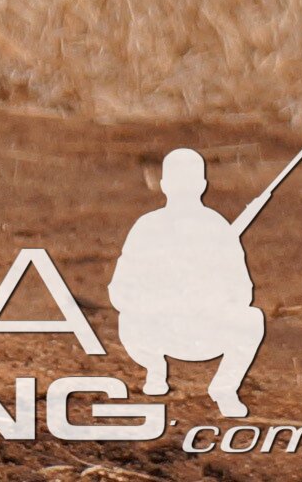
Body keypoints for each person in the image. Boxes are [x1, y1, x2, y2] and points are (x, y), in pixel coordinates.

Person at [110, 146, 269, 418]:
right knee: (128, 318)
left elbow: (242, 292)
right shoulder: (147, 227)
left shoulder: (218, 229)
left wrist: (207, 296)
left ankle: (225, 388)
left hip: (204, 330)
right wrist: (159, 298)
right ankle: (155, 369)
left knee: (252, 319)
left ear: (162, 185)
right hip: (156, 330)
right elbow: (120, 290)